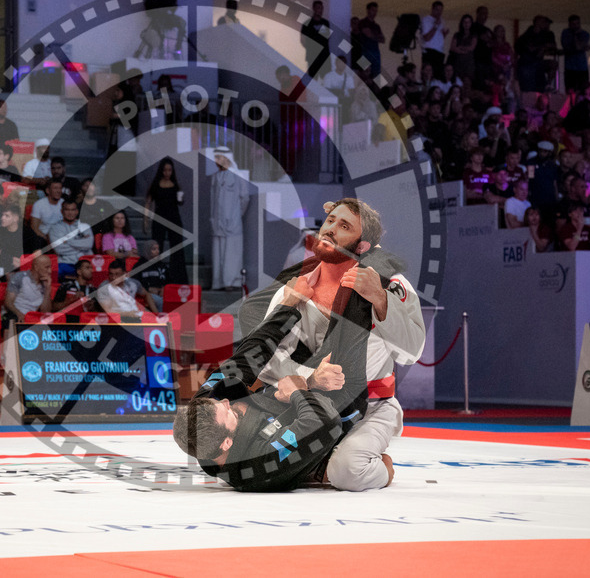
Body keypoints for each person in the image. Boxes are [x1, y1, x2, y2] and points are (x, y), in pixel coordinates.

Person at [237, 199, 425, 492]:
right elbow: (269, 359)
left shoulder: (390, 283)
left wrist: (380, 299)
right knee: (244, 456)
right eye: (330, 221)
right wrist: (309, 378)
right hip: (306, 407)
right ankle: (318, 465)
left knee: (348, 471)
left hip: (371, 408)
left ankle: (379, 468)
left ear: (362, 246)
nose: (331, 229)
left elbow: (413, 352)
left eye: (345, 226)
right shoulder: (295, 287)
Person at [173, 275, 370, 492]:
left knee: (259, 305)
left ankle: (328, 258)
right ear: (227, 444)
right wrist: (301, 389)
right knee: (354, 298)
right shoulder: (261, 462)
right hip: (338, 404)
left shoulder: (206, 406)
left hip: (290, 391)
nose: (226, 401)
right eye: (227, 412)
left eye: (219, 403)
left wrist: (289, 305)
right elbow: (325, 420)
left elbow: (248, 356)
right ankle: (373, 265)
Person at [210, 147, 249, 291]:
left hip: (233, 221)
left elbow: (244, 198)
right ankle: (218, 282)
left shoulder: (238, 175)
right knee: (218, 253)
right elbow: (213, 201)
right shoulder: (215, 177)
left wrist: (236, 215)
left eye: (219, 157)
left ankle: (231, 282)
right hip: (217, 222)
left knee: (232, 254)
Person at [47, 200, 94, 278]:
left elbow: (89, 244)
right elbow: (59, 249)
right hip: (66, 263)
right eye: (67, 210)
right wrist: (81, 245)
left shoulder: (85, 226)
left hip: (85, 264)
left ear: (77, 211)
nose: (70, 213)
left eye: (72, 210)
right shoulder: (55, 228)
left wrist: (67, 241)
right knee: (56, 271)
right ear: (62, 211)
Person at [3, 254, 54, 324]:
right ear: (36, 267)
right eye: (47, 267)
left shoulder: (45, 283)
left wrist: (47, 290)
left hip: (33, 319)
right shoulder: (19, 277)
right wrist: (20, 315)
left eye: (50, 267)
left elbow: (45, 312)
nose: (50, 271)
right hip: (16, 315)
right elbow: (8, 303)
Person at [300, 0, 331, 78]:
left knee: (326, 80)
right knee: (313, 81)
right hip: (312, 56)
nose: (320, 10)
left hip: (324, 56)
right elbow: (303, 40)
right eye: (318, 8)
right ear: (314, 8)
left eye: (321, 8)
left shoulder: (325, 23)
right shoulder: (307, 23)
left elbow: (327, 37)